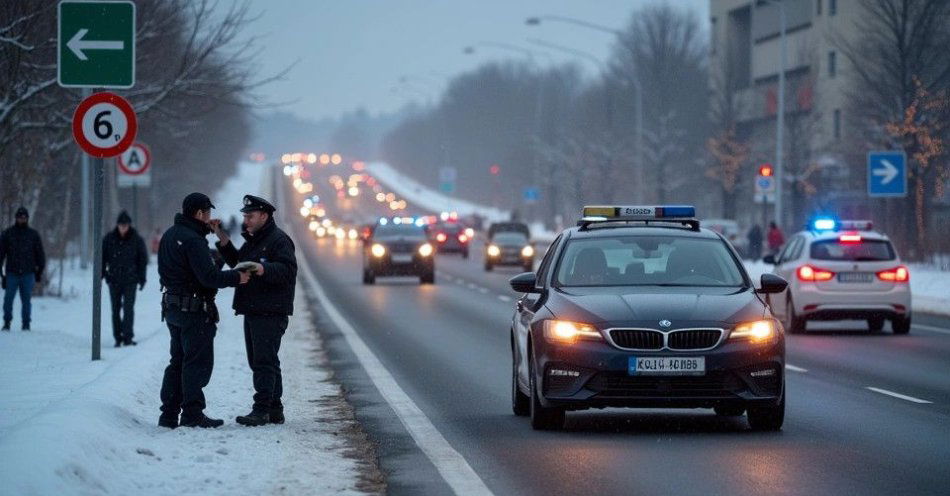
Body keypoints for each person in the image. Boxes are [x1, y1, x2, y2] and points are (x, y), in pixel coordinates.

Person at [157, 193, 250, 429]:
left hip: (172, 307)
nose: (209, 217)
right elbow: (209, 277)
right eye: (207, 213)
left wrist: (216, 235)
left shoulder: (170, 235)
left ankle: (168, 415)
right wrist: (237, 277)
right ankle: (192, 413)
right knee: (196, 364)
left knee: (177, 362)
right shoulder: (193, 240)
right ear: (199, 214)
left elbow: (184, 271)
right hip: (194, 311)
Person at [212, 195, 297, 427]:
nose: (246, 220)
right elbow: (237, 262)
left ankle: (261, 410)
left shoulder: (279, 240)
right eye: (245, 216)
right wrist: (221, 236)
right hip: (254, 308)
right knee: (263, 360)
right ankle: (274, 408)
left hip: (270, 310)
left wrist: (263, 268)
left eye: (250, 216)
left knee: (263, 361)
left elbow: (288, 271)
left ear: (264, 216)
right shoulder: (255, 240)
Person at [102, 210, 148, 347]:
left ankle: (128, 337)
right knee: (115, 309)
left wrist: (142, 278)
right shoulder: (109, 239)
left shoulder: (136, 239)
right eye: (121, 225)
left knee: (128, 308)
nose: (123, 228)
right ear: (117, 225)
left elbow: (142, 260)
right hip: (114, 279)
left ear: (129, 225)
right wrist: (102, 274)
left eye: (125, 225)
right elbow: (102, 258)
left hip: (131, 279)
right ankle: (118, 337)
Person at [1, 207, 45, 331]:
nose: (22, 219)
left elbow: (40, 254)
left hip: (28, 273)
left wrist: (39, 272)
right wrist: (2, 275)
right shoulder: (8, 234)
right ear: (16, 218)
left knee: (26, 300)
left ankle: (26, 323)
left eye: (24, 217)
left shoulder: (33, 235)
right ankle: (7, 321)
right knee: (8, 299)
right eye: (20, 217)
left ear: (27, 218)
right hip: (12, 273)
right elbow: (1, 254)